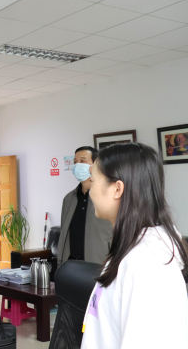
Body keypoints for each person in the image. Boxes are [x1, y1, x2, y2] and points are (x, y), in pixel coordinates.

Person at [81, 143, 188, 348]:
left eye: (93, 181)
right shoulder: (130, 250)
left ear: (117, 189)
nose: (90, 191)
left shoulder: (147, 263)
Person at [58, 146, 112, 266]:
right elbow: (64, 234)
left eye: (82, 161)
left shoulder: (108, 196)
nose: (78, 165)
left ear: (96, 165)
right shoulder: (68, 199)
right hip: (71, 265)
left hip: (99, 265)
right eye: (75, 162)